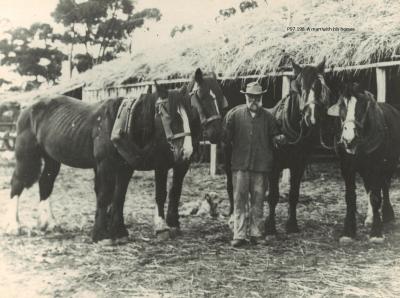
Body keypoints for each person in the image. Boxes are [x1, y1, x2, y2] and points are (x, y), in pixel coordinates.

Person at [224, 81, 285, 248]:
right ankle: (239, 234)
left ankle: (257, 233)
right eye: (250, 97)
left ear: (261, 98)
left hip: (261, 166)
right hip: (240, 166)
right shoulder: (235, 116)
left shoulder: (268, 117)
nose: (254, 101)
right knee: (239, 200)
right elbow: (226, 139)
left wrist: (279, 138)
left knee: (258, 201)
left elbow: (275, 135)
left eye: (257, 97)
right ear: (246, 97)